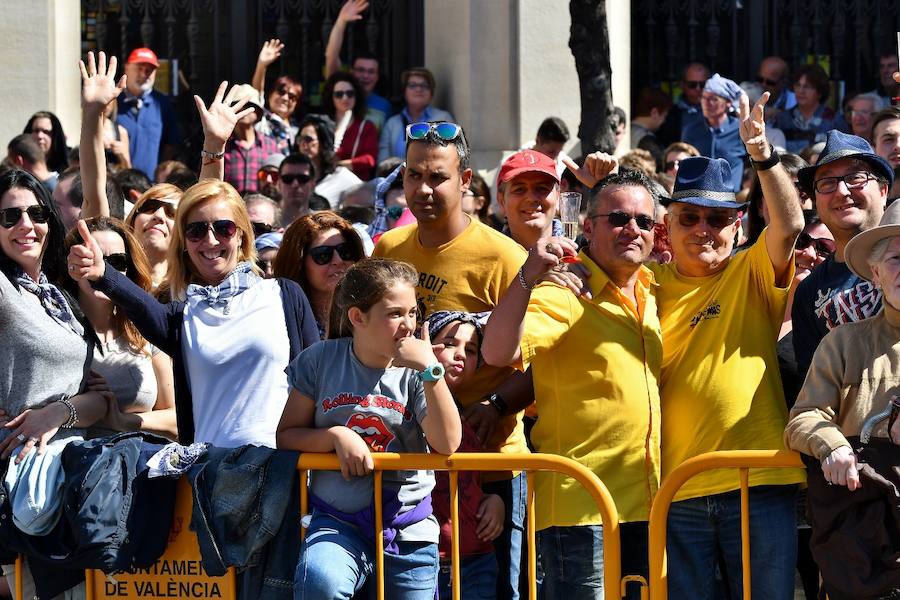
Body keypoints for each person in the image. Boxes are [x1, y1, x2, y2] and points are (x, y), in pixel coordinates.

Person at [634, 91, 805, 599]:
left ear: (736, 226)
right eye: (689, 217)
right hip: (678, 487)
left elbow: (790, 223)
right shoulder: (643, 282)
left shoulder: (750, 270)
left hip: (760, 483)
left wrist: (761, 152)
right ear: (667, 223)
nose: (702, 230)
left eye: (717, 219)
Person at [482, 169, 662, 600]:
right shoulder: (566, 291)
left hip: (649, 506)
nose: (632, 229)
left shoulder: (654, 291)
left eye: (644, 221)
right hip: (581, 513)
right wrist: (529, 275)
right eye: (618, 218)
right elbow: (496, 353)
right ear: (587, 226)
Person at [372, 121, 530, 599]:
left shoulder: (505, 257)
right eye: (414, 175)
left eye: (437, 177)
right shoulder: (387, 249)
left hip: (491, 470)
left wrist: (497, 405)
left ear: (465, 182)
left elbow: (542, 362)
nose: (423, 188)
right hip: (406, 463)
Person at [67, 179, 320, 447]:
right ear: (184, 243)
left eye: (224, 228)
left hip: (283, 469)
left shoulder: (283, 295)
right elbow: (140, 305)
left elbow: (319, 381)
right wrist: (104, 273)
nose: (210, 240)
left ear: (242, 233)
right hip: (208, 475)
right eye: (196, 231)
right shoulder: (183, 314)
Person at [277, 258, 461, 599]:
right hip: (337, 523)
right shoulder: (320, 360)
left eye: (412, 312)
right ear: (357, 317)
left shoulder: (420, 370)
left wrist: (431, 370)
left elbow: (447, 442)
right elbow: (286, 436)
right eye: (394, 314)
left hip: (409, 530)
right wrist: (336, 436)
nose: (408, 325)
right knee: (321, 581)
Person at [0, 168, 107, 600]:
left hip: (72, 483)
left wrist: (58, 412)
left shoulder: (60, 295)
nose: (26, 225)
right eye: (9, 217)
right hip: (22, 489)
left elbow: (99, 400)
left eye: (36, 212)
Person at [62, 216, 176, 439]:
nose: (101, 268)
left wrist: (123, 421)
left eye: (117, 262)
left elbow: (176, 419)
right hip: (72, 466)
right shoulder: (57, 330)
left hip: (140, 465)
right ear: (71, 264)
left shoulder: (143, 332)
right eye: (92, 257)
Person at [792, 130, 893, 379]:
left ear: (883, 190)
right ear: (816, 201)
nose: (842, 191)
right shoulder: (809, 292)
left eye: (856, 177)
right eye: (827, 183)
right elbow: (815, 387)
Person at [428, 311, 504, 600]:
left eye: (470, 350)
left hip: (476, 560)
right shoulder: (410, 412)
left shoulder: (469, 421)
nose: (460, 355)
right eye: (449, 344)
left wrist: (492, 500)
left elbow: (469, 485)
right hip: (423, 558)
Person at [272, 210, 365, 338]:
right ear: (299, 264)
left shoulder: (371, 311)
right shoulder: (280, 319)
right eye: (323, 255)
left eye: (345, 251)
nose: (338, 261)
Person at [324, 0, 393, 130]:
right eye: (361, 70)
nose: (365, 76)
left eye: (371, 71)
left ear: (377, 76)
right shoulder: (341, 94)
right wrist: (341, 22)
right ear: (351, 72)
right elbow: (331, 57)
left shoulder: (384, 106)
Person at [116, 47, 180, 180]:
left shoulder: (163, 104)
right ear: (127, 68)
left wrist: (159, 178)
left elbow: (171, 144)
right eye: (139, 68)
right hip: (116, 184)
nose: (144, 74)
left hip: (150, 185)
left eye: (149, 70)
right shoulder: (112, 103)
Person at [682, 73, 746, 192]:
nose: (707, 102)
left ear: (728, 103)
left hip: (733, 198)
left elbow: (752, 162)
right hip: (700, 196)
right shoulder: (691, 130)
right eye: (704, 97)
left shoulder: (740, 129)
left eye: (714, 99)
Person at [379, 68, 454, 161]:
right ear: (404, 91)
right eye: (412, 85)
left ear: (431, 93)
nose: (418, 89)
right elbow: (383, 164)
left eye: (424, 85)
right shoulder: (392, 124)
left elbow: (451, 157)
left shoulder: (443, 119)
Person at [296, 114, 363, 209]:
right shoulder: (293, 177)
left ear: (324, 142)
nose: (302, 144)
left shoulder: (343, 177)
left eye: (308, 139)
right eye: (300, 139)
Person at [322, 72, 379, 181]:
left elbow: (370, 159)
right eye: (339, 94)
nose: (345, 98)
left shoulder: (366, 127)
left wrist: (339, 165)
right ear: (331, 97)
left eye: (350, 93)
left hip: (355, 186)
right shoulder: (323, 125)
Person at [222, 84, 279, 193]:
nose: (243, 109)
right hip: (230, 207)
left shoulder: (270, 145)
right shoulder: (222, 144)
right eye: (238, 105)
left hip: (263, 206)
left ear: (258, 113)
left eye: (249, 106)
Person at [251, 39, 303, 153]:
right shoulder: (262, 120)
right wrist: (262, 65)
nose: (285, 98)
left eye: (292, 96)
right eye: (281, 92)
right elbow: (256, 94)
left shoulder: (299, 129)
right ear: (270, 95)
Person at [774, 63, 837, 154]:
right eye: (798, 85)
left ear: (820, 92)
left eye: (807, 87)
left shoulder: (833, 119)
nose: (801, 91)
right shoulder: (782, 118)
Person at [657, 62, 709, 146]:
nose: (698, 89)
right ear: (682, 85)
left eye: (703, 85)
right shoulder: (670, 114)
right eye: (692, 85)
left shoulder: (720, 111)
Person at [630, 87, 672, 169]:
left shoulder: (626, 130)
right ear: (654, 112)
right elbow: (660, 166)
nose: (664, 121)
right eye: (664, 116)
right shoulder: (647, 140)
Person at [277, 153, 319, 226]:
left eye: (302, 179)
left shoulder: (320, 224)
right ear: (279, 184)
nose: (295, 185)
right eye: (288, 178)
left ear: (313, 185)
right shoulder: (266, 221)